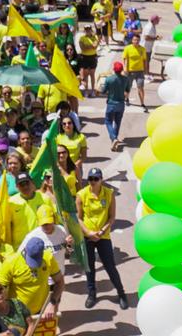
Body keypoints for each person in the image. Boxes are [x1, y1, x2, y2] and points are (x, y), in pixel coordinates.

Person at [76, 168, 127, 310]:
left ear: (101, 180)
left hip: (103, 235)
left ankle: (121, 293)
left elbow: (112, 217)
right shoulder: (81, 195)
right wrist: (88, 233)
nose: (92, 182)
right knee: (89, 268)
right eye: (90, 179)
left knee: (110, 266)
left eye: (95, 179)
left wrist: (102, 230)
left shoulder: (109, 194)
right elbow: (79, 218)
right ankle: (92, 294)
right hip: (87, 237)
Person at [100, 62, 128, 152]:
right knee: (117, 122)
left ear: (114, 69)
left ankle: (113, 138)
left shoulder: (109, 79)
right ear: (121, 70)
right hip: (121, 104)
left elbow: (103, 91)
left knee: (108, 121)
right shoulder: (125, 79)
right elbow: (127, 90)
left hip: (111, 104)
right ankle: (114, 140)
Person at [121, 34, 148, 110]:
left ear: (139, 41)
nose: (136, 41)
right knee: (128, 87)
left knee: (140, 87)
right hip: (130, 71)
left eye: (137, 40)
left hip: (140, 71)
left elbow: (145, 60)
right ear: (132, 40)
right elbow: (125, 59)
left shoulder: (142, 49)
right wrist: (125, 69)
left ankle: (142, 103)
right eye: (134, 40)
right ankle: (126, 99)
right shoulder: (127, 48)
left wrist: (146, 70)